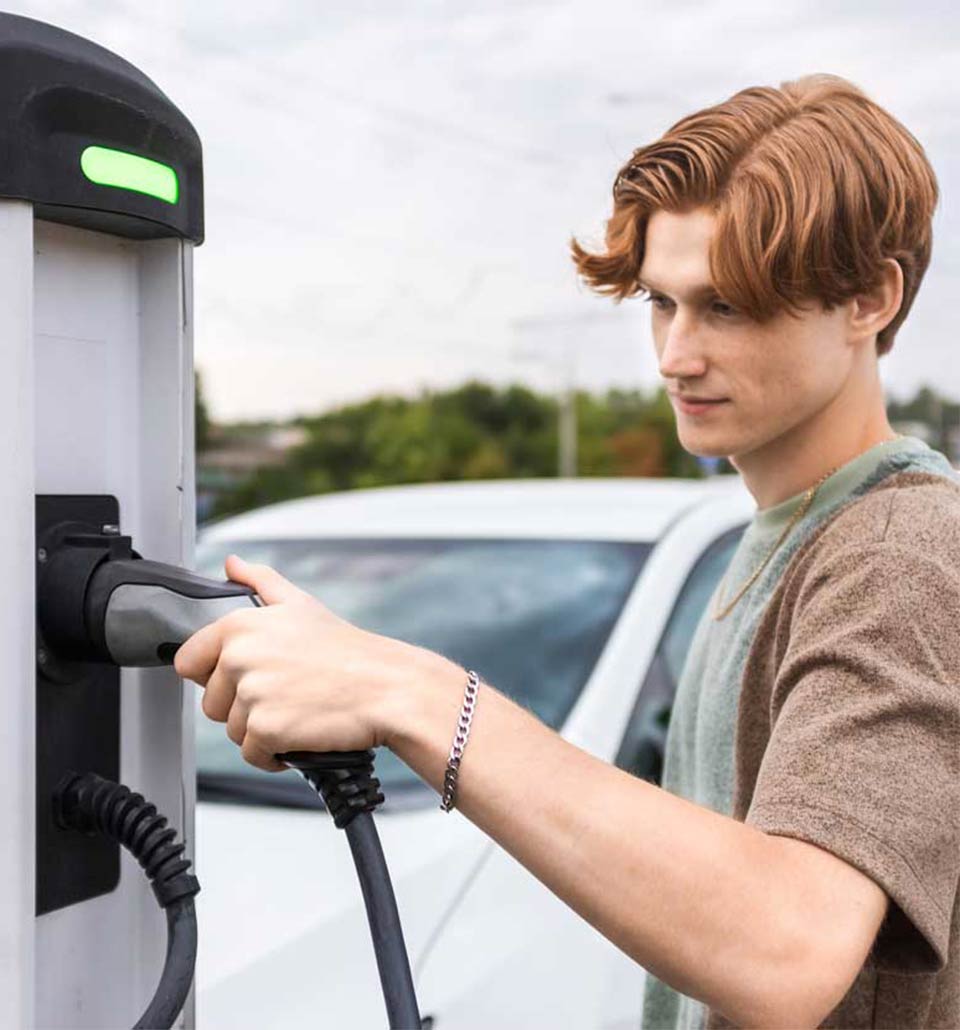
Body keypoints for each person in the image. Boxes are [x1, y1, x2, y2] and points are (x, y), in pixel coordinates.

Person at [174, 74, 959, 1028]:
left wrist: (412, 692)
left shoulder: (899, 546)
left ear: (871, 298)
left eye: (730, 306)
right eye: (663, 304)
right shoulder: (785, 532)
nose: (674, 355)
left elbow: (789, 945)